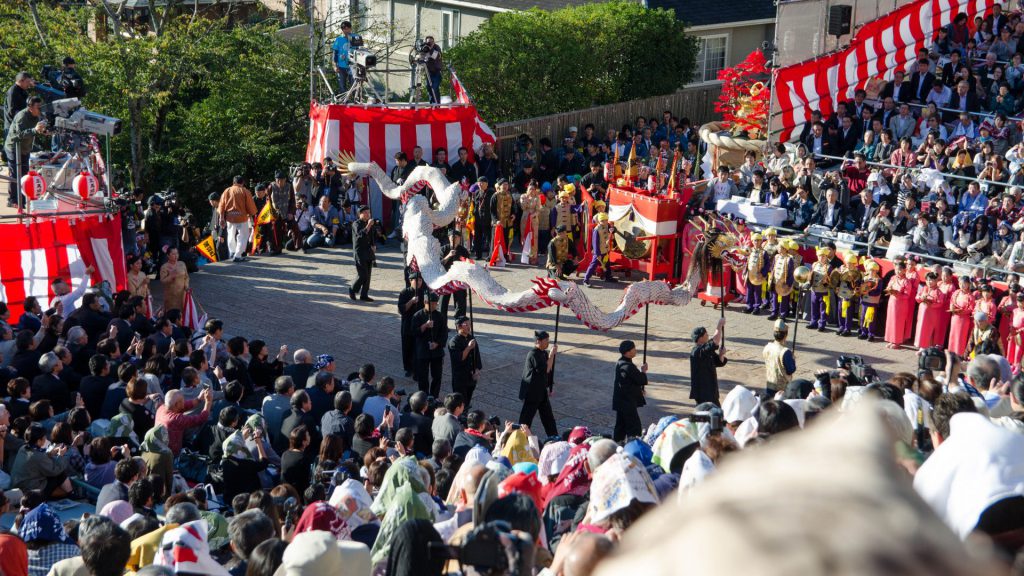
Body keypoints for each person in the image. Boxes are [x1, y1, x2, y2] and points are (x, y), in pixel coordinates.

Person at [3, 95, 45, 208]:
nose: (41, 109)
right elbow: (19, 135)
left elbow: (35, 130)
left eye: (41, 106)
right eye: (38, 107)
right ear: (30, 107)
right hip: (13, 147)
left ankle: (22, 199)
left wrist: (42, 130)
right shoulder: (22, 116)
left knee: (24, 174)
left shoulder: (36, 115)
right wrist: (34, 130)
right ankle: (12, 200)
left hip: (25, 148)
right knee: (15, 174)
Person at [519, 330, 558, 438]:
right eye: (546, 340)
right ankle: (520, 439)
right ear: (538, 341)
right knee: (526, 419)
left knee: (548, 417)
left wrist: (549, 386)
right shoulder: (533, 354)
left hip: (541, 391)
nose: (548, 342)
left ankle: (554, 437)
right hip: (532, 392)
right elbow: (545, 369)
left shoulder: (543, 353)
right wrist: (551, 355)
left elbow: (548, 372)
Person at [412, 293, 447, 397]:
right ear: (425, 302)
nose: (434, 306)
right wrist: (425, 326)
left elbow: (444, 333)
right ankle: (424, 395)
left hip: (437, 351)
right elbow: (414, 332)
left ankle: (434, 395)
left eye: (435, 304)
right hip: (423, 350)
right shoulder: (417, 315)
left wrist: (437, 343)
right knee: (423, 376)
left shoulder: (440, 316)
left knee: (437, 376)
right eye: (431, 304)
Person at [612, 340, 647, 442]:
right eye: (633, 348)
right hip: (627, 403)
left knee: (621, 425)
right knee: (634, 427)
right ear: (628, 352)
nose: (635, 350)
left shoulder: (621, 362)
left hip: (621, 401)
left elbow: (627, 383)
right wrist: (643, 371)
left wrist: (639, 390)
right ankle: (633, 445)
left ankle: (618, 443)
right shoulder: (627, 366)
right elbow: (641, 379)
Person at [218, 176, 258, 262]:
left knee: (230, 235)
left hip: (230, 217)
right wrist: (252, 215)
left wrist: (221, 217)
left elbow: (221, 205)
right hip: (242, 217)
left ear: (233, 182)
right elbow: (251, 207)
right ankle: (238, 254)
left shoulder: (227, 191)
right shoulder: (245, 191)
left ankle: (232, 252)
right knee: (243, 236)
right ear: (242, 183)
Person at [689, 319, 728, 406]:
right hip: (703, 393)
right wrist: (719, 325)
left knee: (716, 415)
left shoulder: (705, 350)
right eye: (706, 334)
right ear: (700, 338)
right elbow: (715, 342)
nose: (708, 336)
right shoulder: (697, 351)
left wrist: (721, 354)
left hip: (711, 391)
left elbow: (719, 362)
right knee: (708, 415)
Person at [447, 316, 481, 407]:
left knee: (468, 399)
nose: (469, 327)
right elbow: (460, 358)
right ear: (459, 327)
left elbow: (476, 356)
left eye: (469, 324)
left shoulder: (471, 338)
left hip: (471, 375)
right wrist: (469, 347)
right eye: (466, 324)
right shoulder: (454, 342)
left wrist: (476, 369)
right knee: (460, 402)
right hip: (460, 377)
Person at [397, 272, 426, 377]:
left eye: (420, 280)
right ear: (410, 281)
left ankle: (417, 368)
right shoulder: (404, 292)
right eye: (416, 280)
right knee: (407, 347)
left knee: (417, 347)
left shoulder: (424, 292)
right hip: (407, 324)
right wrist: (411, 302)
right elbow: (401, 310)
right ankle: (408, 368)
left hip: (419, 325)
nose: (418, 282)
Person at [762, 319, 796, 399]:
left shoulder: (767, 347)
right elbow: (791, 370)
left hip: (770, 384)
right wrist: (793, 359)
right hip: (782, 389)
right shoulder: (785, 352)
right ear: (785, 335)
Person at [440, 230, 470, 318]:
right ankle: (442, 327)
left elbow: (468, 265)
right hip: (445, 279)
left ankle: (460, 325)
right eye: (452, 237)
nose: (454, 239)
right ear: (449, 238)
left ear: (459, 239)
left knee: (460, 304)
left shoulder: (463, 251)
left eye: (456, 237)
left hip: (459, 280)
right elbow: (439, 264)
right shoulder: (444, 249)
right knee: (442, 304)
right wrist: (448, 256)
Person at [350, 205, 376, 302]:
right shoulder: (356, 224)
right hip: (359, 252)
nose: (367, 214)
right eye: (365, 213)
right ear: (360, 214)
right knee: (362, 275)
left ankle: (364, 294)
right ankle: (352, 289)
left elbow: (371, 236)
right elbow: (360, 235)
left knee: (368, 275)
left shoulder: (369, 223)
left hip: (368, 251)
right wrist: (368, 225)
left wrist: (373, 245)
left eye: (368, 213)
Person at [584, 213, 615, 286]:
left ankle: (608, 277)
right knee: (593, 265)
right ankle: (586, 280)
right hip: (598, 251)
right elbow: (595, 243)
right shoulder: (596, 230)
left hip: (605, 250)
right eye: (602, 220)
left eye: (606, 220)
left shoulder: (607, 226)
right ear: (599, 221)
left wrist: (612, 231)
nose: (604, 222)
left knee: (607, 264)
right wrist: (597, 254)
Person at [159, 247, 189, 313]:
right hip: (171, 295)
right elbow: (162, 280)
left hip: (182, 293)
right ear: (168, 255)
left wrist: (186, 285)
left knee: (183, 312)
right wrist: (171, 276)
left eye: (177, 253)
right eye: (173, 254)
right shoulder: (165, 267)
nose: (176, 256)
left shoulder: (182, 263)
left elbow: (186, 277)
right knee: (172, 313)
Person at [331, 21, 353, 93]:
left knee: (354, 86)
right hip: (341, 66)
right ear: (342, 30)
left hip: (353, 66)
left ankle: (355, 102)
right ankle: (343, 102)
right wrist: (334, 65)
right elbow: (335, 53)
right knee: (342, 86)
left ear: (351, 29)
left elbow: (360, 51)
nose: (346, 31)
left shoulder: (355, 37)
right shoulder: (339, 39)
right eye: (344, 29)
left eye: (348, 29)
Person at [420, 36, 443, 104]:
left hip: (436, 72)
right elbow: (422, 57)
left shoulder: (436, 47)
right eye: (428, 42)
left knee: (435, 88)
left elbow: (436, 56)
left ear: (433, 42)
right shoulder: (425, 48)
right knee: (429, 88)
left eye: (431, 42)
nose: (429, 43)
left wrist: (430, 49)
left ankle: (437, 104)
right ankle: (432, 104)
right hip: (428, 72)